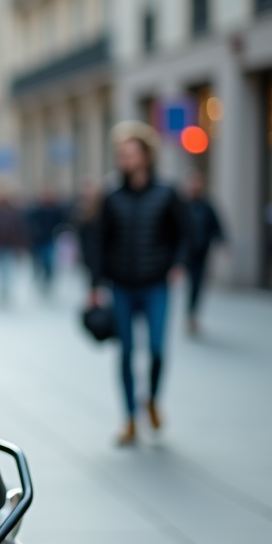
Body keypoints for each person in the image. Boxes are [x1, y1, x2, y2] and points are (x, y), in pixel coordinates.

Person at [89, 122, 189, 445]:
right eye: (120, 154)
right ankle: (130, 418)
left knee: (158, 350)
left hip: (156, 284)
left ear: (146, 156)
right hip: (121, 285)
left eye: (129, 153)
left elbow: (184, 233)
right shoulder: (111, 195)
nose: (124, 159)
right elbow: (100, 242)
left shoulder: (167, 192)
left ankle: (153, 401)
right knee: (127, 352)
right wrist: (95, 284)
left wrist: (177, 264)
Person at [182, 170, 224, 335]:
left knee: (197, 285)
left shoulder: (207, 206)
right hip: (186, 253)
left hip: (202, 252)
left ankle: (192, 315)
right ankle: (190, 315)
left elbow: (217, 225)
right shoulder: (183, 206)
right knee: (191, 284)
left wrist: (223, 241)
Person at [0, 191, 28, 303]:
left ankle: (4, 288)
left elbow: (19, 230)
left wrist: (20, 245)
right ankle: (1, 287)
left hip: (9, 245)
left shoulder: (14, 212)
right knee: (0, 268)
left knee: (6, 268)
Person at [27, 189, 64, 295]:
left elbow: (61, 222)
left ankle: (47, 279)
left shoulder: (55, 209)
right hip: (38, 241)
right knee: (38, 261)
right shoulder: (36, 210)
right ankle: (39, 277)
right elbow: (29, 222)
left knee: (49, 261)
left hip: (49, 239)